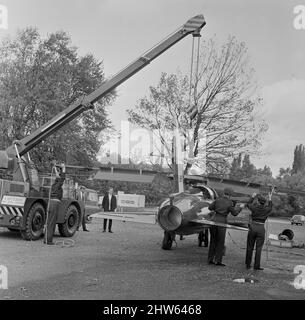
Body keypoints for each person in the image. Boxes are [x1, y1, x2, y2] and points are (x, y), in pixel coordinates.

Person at [207, 188, 242, 266]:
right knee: (220, 242)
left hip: (214, 221)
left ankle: (210, 259)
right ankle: (218, 261)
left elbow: (210, 207)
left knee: (213, 241)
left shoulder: (218, 200)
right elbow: (235, 213)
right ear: (229, 195)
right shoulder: (230, 202)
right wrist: (240, 208)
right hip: (222, 222)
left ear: (224, 193)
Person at [245, 192, 273, 270]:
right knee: (259, 248)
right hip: (261, 228)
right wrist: (270, 198)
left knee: (250, 246)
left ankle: (248, 264)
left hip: (253, 226)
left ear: (258, 201)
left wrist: (252, 197)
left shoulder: (254, 207)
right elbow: (270, 207)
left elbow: (248, 204)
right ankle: (256, 266)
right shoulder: (267, 209)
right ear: (265, 203)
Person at [44, 163, 66, 245]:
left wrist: (54, 169)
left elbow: (58, 176)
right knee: (52, 223)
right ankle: (49, 241)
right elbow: (62, 177)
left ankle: (45, 239)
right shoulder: (59, 183)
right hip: (54, 204)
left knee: (48, 222)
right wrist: (63, 168)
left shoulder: (54, 184)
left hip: (50, 203)